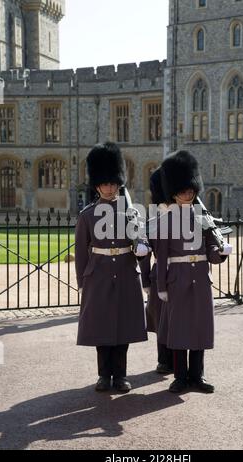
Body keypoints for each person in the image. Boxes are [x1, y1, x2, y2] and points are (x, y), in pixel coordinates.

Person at [74, 142, 148, 393]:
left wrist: (142, 249)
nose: (109, 187)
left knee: (123, 326)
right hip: (99, 275)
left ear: (119, 183)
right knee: (102, 326)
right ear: (97, 185)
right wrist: (83, 282)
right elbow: (81, 252)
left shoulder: (131, 212)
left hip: (127, 272)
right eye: (105, 183)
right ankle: (104, 375)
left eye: (113, 183)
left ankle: (121, 375)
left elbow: (141, 241)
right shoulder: (87, 215)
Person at [157, 150, 232, 394]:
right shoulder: (166, 220)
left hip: (200, 277)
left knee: (199, 328)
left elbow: (210, 248)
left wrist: (220, 253)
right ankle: (180, 377)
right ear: (174, 192)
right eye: (182, 190)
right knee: (179, 330)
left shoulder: (203, 218)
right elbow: (162, 257)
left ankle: (197, 376)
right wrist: (160, 287)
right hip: (177, 279)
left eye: (190, 189)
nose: (187, 193)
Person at [140, 168, 173, 374]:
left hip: (182, 275)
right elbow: (144, 254)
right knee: (162, 320)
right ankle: (164, 359)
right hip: (159, 274)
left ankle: (179, 361)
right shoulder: (152, 221)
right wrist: (145, 280)